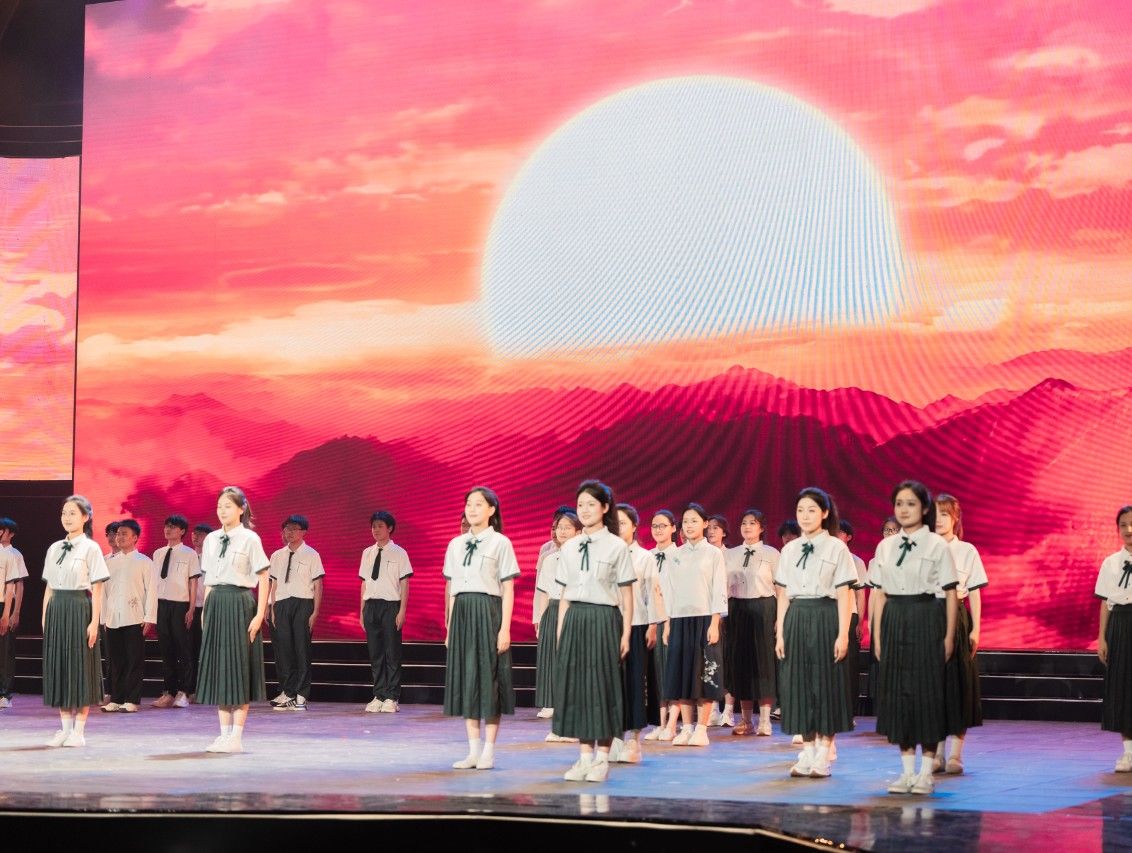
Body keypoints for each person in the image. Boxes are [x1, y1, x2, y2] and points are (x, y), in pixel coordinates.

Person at [870, 480, 958, 795]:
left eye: (911, 504)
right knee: (899, 693)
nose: (904, 510)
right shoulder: (886, 546)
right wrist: (877, 635)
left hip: (926, 616)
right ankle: (906, 771)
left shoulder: (936, 545)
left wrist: (948, 636)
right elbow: (880, 593)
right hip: (895, 618)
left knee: (926, 694)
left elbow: (950, 593)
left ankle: (926, 772)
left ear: (924, 508)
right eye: (899, 504)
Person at [553, 480, 634, 782]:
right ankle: (584, 757)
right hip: (575, 620)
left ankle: (602, 758)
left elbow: (626, 595)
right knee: (577, 688)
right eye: (580, 505)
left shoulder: (616, 546)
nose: (584, 510)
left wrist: (626, 634)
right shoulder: (570, 547)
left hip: (604, 619)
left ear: (605, 507)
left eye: (591, 504)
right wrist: (561, 632)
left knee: (602, 687)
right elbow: (565, 596)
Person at [775, 488, 856, 778]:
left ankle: (824, 752)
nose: (805, 516)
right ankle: (807, 750)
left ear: (824, 513)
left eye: (811, 510)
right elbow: (783, 594)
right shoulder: (790, 550)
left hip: (825, 616)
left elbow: (844, 593)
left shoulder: (836, 547)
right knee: (798, 684)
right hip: (796, 616)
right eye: (800, 510)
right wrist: (780, 632)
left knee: (826, 684)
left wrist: (843, 634)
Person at [443, 487, 519, 770]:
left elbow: (508, 589)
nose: (472, 509)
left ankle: (488, 750)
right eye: (468, 504)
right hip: (462, 614)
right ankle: (473, 751)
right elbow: (452, 590)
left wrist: (505, 628)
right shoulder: (455, 544)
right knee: (468, 679)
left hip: (488, 612)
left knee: (490, 680)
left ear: (491, 510)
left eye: (478, 504)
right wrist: (450, 626)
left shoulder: (500, 543)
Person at [196, 486, 270, 754]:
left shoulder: (250, 538)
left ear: (241, 509)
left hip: (240, 603)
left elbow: (263, 576)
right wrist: (205, 610)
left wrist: (260, 614)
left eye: (227, 506)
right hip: (216, 603)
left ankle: (236, 736)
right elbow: (209, 580)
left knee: (237, 668)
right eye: (219, 506)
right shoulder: (211, 539)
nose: (222, 511)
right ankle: (223, 734)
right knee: (220, 668)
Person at [41, 495, 109, 747]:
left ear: (85, 517)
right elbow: (49, 587)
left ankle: (78, 732)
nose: (67, 518)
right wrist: (45, 617)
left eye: (72, 513)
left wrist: (94, 622)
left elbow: (98, 588)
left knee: (80, 667)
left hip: (79, 608)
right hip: (57, 608)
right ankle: (65, 729)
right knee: (59, 667)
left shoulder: (91, 548)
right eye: (64, 513)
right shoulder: (54, 548)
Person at [663, 503, 726, 748]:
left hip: (704, 618)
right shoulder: (674, 555)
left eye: (694, 521)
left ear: (705, 524)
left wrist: (715, 622)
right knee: (683, 674)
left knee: (704, 674)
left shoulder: (713, 554)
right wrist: (668, 623)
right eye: (686, 521)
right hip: (679, 619)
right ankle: (687, 727)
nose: (689, 525)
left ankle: (701, 729)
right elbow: (669, 591)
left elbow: (719, 588)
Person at [933, 494, 988, 775]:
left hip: (957, 617)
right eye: (935, 514)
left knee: (958, 684)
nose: (939, 519)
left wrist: (976, 628)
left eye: (945, 514)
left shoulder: (967, 550)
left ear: (955, 518)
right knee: (934, 687)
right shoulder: (923, 548)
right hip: (930, 618)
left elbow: (974, 591)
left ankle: (955, 753)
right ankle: (936, 752)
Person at [724, 508, 779, 737]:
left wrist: (780, 618)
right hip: (737, 609)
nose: (747, 527)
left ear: (762, 528)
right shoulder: (730, 554)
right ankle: (746, 720)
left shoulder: (771, 553)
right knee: (741, 664)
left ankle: (764, 720)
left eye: (752, 523)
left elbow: (780, 588)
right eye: (744, 523)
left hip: (764, 608)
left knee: (763, 663)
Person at [615, 502, 660, 764]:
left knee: (634, 682)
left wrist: (653, 624)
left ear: (634, 526)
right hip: (610, 624)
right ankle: (614, 736)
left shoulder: (645, 557)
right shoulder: (607, 554)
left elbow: (652, 593)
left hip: (637, 624)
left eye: (622, 523)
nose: (618, 527)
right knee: (613, 682)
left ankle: (633, 739)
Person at [268, 514, 324, 710]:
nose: (289, 533)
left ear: (303, 532)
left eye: (294, 529)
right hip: (281, 604)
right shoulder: (277, 555)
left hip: (303, 603)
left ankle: (301, 693)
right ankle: (287, 691)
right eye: (287, 529)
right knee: (283, 650)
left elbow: (318, 585)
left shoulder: (312, 554)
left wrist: (315, 611)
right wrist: (273, 608)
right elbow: (274, 584)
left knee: (301, 649)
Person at [360, 510, 413, 713]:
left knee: (392, 652)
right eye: (373, 526)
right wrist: (362, 610)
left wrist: (402, 610)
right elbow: (364, 582)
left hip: (391, 606)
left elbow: (404, 583)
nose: (376, 530)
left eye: (380, 526)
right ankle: (379, 694)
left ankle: (392, 696)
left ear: (390, 528)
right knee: (375, 653)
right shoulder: (367, 552)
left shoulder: (399, 553)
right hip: (371, 606)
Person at [101, 519, 156, 713]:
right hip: (113, 618)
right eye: (118, 534)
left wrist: (149, 617)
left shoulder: (144, 562)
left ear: (135, 538)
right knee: (116, 661)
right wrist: (103, 618)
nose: (119, 537)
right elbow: (103, 593)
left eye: (124, 533)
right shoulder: (109, 563)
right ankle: (116, 698)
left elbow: (152, 591)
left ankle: (132, 699)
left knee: (134, 660)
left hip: (135, 617)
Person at [532, 507, 581, 728]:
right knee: (551, 656)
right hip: (552, 609)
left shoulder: (583, 558)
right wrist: (541, 618)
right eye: (559, 527)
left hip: (574, 609)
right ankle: (550, 701)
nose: (561, 531)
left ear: (578, 532)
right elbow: (542, 591)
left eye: (567, 528)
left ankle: (572, 700)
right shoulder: (549, 559)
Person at [151, 514, 200, 709]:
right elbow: (154, 582)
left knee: (183, 649)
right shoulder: (158, 553)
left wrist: (191, 608)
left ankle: (184, 691)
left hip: (180, 605)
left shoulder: (189, 554)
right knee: (166, 649)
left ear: (182, 531)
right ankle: (169, 691)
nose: (168, 529)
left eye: (172, 526)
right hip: (161, 604)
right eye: (166, 526)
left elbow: (193, 582)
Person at [1098, 505, 1132, 772]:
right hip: (1120, 624)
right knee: (1123, 686)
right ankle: (1129, 753)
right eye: (1123, 525)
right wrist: (1102, 638)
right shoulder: (1110, 563)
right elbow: (1105, 602)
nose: (1128, 530)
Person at [645, 510, 678, 741]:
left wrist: (668, 621)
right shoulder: (647, 556)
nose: (658, 530)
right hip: (651, 620)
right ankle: (660, 722)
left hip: (673, 619)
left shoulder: (680, 556)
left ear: (673, 528)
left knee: (671, 671)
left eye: (663, 526)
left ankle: (673, 724)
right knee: (656, 673)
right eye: (655, 526)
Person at [0, 517, 27, 708]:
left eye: (2, 530)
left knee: (5, 651)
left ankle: (5, 693)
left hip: (4, 605)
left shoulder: (14, 554)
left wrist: (14, 612)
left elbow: (18, 585)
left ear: (11, 533)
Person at [188, 523, 211, 702]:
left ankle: (207, 690)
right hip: (190, 609)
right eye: (194, 533)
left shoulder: (213, 559)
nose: (196, 537)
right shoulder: (188, 557)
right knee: (191, 650)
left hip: (208, 608)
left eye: (201, 534)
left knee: (207, 651)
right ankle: (191, 689)